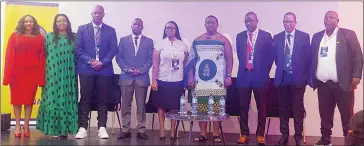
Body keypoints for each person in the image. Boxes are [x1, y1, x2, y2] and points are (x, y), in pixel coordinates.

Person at [309, 11, 363, 145]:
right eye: (325, 17)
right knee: (325, 114)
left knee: (347, 115)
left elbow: (357, 55)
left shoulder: (348, 34)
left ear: (338, 20)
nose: (328, 20)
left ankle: (349, 140)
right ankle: (325, 139)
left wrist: (356, 76)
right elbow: (311, 58)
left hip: (343, 83)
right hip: (323, 84)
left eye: (331, 17)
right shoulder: (317, 37)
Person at [186, 15, 233, 143]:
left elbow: (230, 59)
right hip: (200, 82)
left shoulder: (224, 40)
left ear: (217, 25)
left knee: (217, 107)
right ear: (204, 25)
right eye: (208, 23)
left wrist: (228, 75)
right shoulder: (197, 40)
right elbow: (191, 61)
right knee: (201, 107)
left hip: (218, 82)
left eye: (213, 23)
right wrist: (190, 77)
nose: (210, 25)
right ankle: (203, 133)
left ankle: (216, 133)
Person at [74, 5, 118, 139]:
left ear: (103, 15)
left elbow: (113, 49)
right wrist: (91, 61)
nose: (97, 15)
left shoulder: (110, 30)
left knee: (103, 99)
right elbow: (78, 48)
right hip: (86, 69)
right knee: (85, 98)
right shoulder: (82, 29)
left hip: (104, 70)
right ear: (91, 14)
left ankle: (102, 127)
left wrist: (102, 62)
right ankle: (82, 127)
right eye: (94, 13)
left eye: (99, 13)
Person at [3, 15, 46, 138]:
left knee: (28, 101)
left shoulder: (40, 38)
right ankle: (17, 125)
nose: (28, 23)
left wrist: (40, 75)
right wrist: (8, 75)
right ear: (22, 23)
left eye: (30, 21)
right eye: (26, 21)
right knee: (16, 100)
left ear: (34, 23)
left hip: (32, 73)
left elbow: (42, 58)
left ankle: (26, 125)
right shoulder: (14, 36)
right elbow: (9, 56)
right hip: (17, 73)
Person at [36, 14, 78, 139]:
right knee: (52, 99)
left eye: (64, 20)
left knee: (66, 99)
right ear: (55, 23)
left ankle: (64, 130)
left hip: (68, 75)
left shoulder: (74, 37)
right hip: (52, 74)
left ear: (68, 22)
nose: (61, 23)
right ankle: (52, 129)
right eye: (58, 21)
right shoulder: (48, 37)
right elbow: (42, 55)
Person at [235, 12, 274, 145]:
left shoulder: (266, 36)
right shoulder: (240, 36)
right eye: (246, 21)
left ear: (257, 21)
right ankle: (244, 133)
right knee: (243, 106)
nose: (248, 23)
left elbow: (271, 57)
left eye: (251, 20)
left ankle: (260, 134)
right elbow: (241, 55)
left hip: (260, 76)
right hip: (244, 75)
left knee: (262, 106)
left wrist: (263, 71)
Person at [273, 12, 311, 146]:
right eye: (285, 22)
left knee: (298, 110)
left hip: (298, 80)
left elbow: (308, 59)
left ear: (295, 22)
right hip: (282, 79)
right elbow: (277, 59)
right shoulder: (276, 38)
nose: (288, 24)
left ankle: (298, 137)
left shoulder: (304, 37)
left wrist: (308, 78)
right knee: (283, 110)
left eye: (290, 21)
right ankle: (284, 135)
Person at [116, 18, 154, 140]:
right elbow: (119, 58)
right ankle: (125, 129)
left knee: (141, 106)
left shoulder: (149, 42)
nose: (136, 26)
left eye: (139, 25)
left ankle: (141, 130)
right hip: (126, 78)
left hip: (141, 78)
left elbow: (150, 59)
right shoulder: (123, 40)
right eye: (134, 24)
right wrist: (127, 69)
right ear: (131, 26)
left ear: (142, 27)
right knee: (126, 105)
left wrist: (141, 70)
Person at [151, 21, 189, 140]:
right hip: (162, 79)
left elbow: (185, 63)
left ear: (176, 30)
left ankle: (173, 132)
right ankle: (162, 131)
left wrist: (186, 80)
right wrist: (154, 80)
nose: (169, 30)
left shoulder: (183, 45)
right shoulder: (159, 44)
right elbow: (155, 65)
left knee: (174, 106)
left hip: (178, 80)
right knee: (161, 106)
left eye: (172, 28)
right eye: (167, 28)